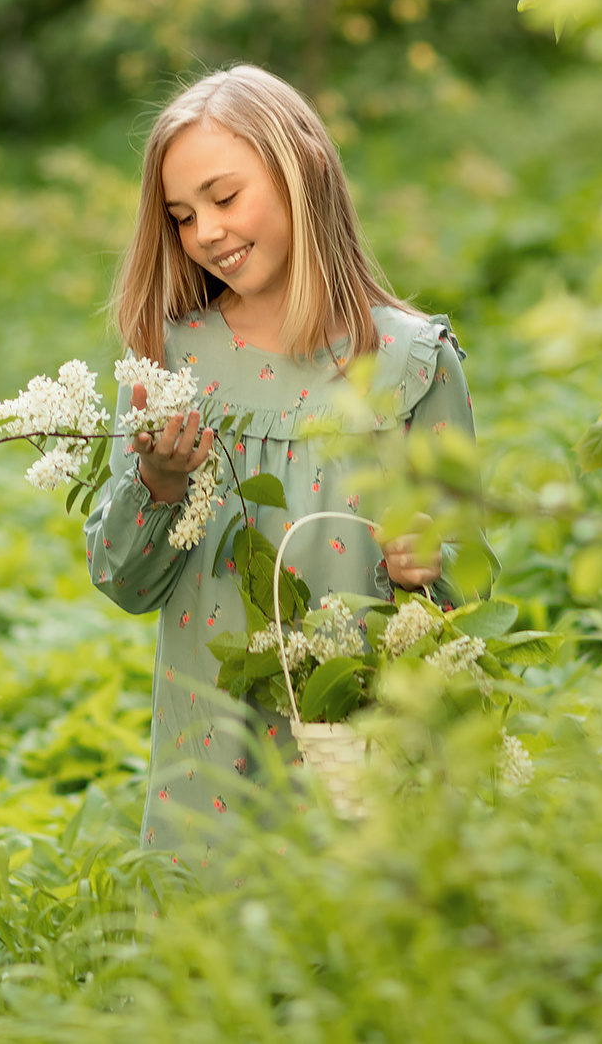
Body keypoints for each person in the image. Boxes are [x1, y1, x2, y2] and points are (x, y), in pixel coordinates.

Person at [84, 65, 481, 861]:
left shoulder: (408, 363)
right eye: (183, 215)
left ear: (300, 171)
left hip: (361, 736)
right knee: (221, 970)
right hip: (215, 759)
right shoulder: (173, 361)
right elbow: (124, 581)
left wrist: (430, 563)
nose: (206, 232)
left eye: (225, 198)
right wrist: (159, 483)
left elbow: (464, 582)